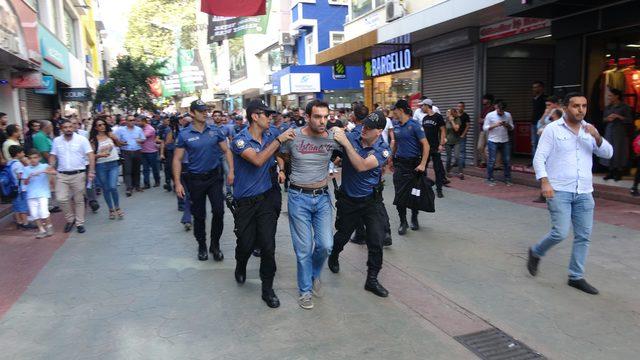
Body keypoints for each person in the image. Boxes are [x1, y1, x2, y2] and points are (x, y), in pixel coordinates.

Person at [528, 92, 613, 295]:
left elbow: (608, 154)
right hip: (559, 190)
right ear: (566, 107)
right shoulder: (552, 129)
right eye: (576, 106)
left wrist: (597, 136)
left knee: (584, 236)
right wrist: (545, 182)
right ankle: (536, 251)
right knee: (560, 232)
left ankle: (576, 277)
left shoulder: (588, 130)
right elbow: (539, 158)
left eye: (584, 106)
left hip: (584, 191)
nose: (581, 110)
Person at [230, 99, 295, 308]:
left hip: (266, 199)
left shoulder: (270, 134)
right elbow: (257, 160)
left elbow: (278, 155)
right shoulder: (240, 141)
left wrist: (282, 167)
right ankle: (240, 265)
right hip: (245, 203)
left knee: (268, 246)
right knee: (246, 244)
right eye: (266, 114)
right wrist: (278, 141)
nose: (270, 117)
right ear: (255, 117)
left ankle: (268, 289)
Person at [280, 99, 336, 310]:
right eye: (317, 117)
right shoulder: (293, 136)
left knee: (325, 245)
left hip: (322, 198)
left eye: (325, 117)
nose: (322, 121)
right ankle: (305, 291)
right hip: (298, 197)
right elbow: (279, 152)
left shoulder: (333, 137)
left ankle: (314, 274)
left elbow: (353, 149)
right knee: (303, 249)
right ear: (307, 116)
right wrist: (282, 169)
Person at [328, 111, 391, 297]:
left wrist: (346, 144)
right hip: (349, 201)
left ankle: (372, 279)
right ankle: (334, 254)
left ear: (379, 131)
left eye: (370, 128)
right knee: (343, 235)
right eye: (364, 125)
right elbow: (332, 137)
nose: (364, 129)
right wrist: (335, 131)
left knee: (376, 240)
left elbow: (362, 165)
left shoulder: (383, 149)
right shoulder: (354, 134)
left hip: (371, 201)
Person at [173, 100, 234, 262]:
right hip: (195, 180)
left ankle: (215, 245)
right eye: (201, 111)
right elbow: (177, 159)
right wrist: (178, 183)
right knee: (199, 216)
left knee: (219, 212)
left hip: (214, 178)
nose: (205, 113)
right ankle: (202, 245)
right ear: (192, 113)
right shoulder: (184, 134)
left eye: (206, 110)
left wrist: (231, 172)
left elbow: (226, 151)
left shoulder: (215, 131)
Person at [49, 120, 95, 233]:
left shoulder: (81, 139)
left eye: (70, 126)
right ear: (61, 129)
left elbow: (90, 155)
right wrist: (51, 166)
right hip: (62, 175)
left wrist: (91, 171)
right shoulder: (57, 140)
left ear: (73, 127)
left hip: (78, 174)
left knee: (79, 200)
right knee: (61, 198)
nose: (68, 129)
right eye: (65, 127)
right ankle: (70, 219)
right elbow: (53, 155)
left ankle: (80, 223)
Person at [391, 99, 429, 235]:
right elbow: (395, 144)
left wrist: (423, 164)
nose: (392, 112)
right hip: (400, 164)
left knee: (415, 193)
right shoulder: (396, 125)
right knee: (399, 194)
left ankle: (414, 217)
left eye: (394, 110)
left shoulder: (415, 125)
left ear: (400, 110)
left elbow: (426, 145)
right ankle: (403, 222)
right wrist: (391, 158)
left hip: (414, 165)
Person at [90, 116, 124, 220]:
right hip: (101, 165)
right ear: (95, 128)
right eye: (99, 125)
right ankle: (111, 209)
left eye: (104, 124)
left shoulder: (110, 135)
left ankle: (117, 207)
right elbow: (91, 155)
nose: (102, 126)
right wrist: (99, 156)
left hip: (113, 163)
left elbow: (119, 145)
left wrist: (115, 138)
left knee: (113, 187)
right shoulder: (93, 140)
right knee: (106, 188)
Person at [22, 149, 57, 238]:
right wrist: (28, 177)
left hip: (43, 193)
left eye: (35, 158)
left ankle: (49, 226)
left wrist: (45, 171)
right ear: (28, 159)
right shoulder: (26, 169)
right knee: (34, 214)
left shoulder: (44, 166)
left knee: (44, 211)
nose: (33, 160)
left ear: (39, 158)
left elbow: (55, 172)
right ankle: (41, 230)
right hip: (31, 194)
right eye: (30, 158)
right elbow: (24, 183)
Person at [601, 88, 632, 181]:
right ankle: (610, 171)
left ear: (616, 96)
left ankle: (618, 172)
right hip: (609, 130)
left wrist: (619, 116)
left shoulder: (624, 107)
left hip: (620, 132)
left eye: (611, 95)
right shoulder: (608, 107)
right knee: (609, 149)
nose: (609, 97)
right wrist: (608, 118)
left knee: (618, 151)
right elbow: (603, 119)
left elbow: (629, 120)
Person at [483, 100, 514, 186]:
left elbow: (512, 127)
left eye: (502, 111)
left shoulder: (508, 115)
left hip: (505, 140)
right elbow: (485, 128)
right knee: (492, 160)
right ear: (496, 108)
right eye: (499, 111)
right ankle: (490, 178)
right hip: (493, 140)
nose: (501, 113)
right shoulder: (490, 115)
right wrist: (495, 125)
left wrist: (506, 125)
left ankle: (507, 179)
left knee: (507, 161)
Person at [421, 101, 446, 198]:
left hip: (435, 146)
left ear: (427, 106)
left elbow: (443, 131)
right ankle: (425, 186)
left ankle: (439, 189)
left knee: (438, 169)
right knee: (423, 167)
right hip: (426, 147)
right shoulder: (424, 118)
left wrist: (441, 144)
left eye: (422, 106)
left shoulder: (438, 117)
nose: (421, 108)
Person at [115, 115, 145, 197]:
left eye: (133, 120)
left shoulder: (139, 129)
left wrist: (140, 140)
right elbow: (115, 139)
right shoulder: (120, 130)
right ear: (126, 121)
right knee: (127, 170)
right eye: (130, 120)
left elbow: (143, 139)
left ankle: (137, 186)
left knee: (137, 169)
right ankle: (129, 187)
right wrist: (120, 143)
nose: (132, 122)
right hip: (126, 151)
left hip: (137, 151)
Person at [7, 145, 34, 230]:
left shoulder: (9, 163)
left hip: (13, 188)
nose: (23, 153)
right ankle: (25, 223)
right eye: (22, 152)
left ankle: (19, 222)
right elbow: (20, 176)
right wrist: (28, 175)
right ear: (18, 154)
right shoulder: (18, 164)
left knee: (16, 206)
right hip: (20, 189)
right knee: (23, 206)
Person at [139, 117, 161, 188]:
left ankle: (157, 181)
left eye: (139, 121)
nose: (137, 123)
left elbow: (143, 137)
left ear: (143, 121)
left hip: (152, 151)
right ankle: (146, 184)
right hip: (143, 151)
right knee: (145, 169)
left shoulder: (150, 129)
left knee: (154, 168)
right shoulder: (141, 129)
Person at [476, 94, 494, 167]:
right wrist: (483, 120)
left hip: (490, 131)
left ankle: (490, 164)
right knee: (479, 147)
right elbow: (480, 119)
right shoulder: (484, 109)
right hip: (483, 130)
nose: (483, 101)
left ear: (489, 100)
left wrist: (483, 120)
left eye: (484, 99)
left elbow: (490, 120)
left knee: (488, 149)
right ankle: (484, 161)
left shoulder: (492, 109)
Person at [444, 108, 462, 178]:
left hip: (456, 141)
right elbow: (444, 130)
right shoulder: (446, 120)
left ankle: (460, 172)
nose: (448, 114)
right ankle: (447, 171)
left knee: (457, 157)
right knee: (449, 158)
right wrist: (444, 138)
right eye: (447, 113)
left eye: (449, 113)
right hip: (448, 142)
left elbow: (456, 129)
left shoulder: (458, 119)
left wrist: (452, 121)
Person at [531, 81, 547, 156]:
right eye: (533, 87)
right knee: (534, 143)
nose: (534, 89)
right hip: (533, 123)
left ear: (541, 88)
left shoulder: (545, 99)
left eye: (536, 87)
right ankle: (534, 161)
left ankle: (540, 161)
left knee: (541, 143)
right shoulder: (534, 98)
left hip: (542, 124)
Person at [456, 102, 470, 174]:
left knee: (462, 150)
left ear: (464, 107)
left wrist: (463, 134)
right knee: (456, 151)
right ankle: (458, 163)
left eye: (461, 107)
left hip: (462, 136)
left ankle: (462, 164)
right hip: (455, 136)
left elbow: (468, 126)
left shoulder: (466, 116)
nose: (459, 108)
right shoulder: (455, 115)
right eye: (458, 106)